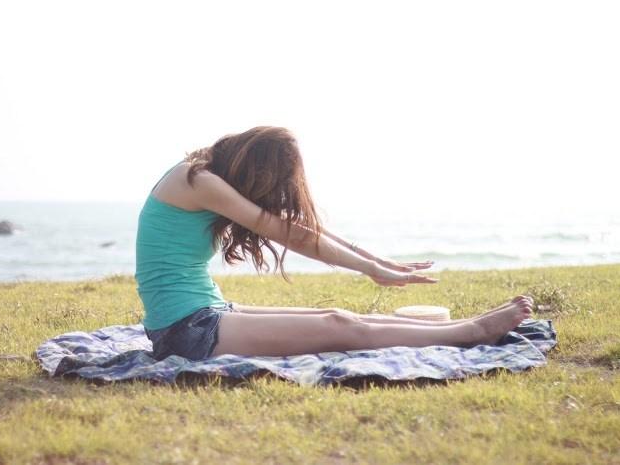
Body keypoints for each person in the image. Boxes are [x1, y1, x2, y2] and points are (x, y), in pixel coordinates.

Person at [135, 126, 533, 360]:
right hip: (184, 332)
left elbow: (293, 225)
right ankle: (473, 333)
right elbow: (289, 234)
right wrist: (369, 269)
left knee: (334, 312)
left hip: (207, 310)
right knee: (340, 325)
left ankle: (468, 326)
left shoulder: (204, 175)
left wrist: (374, 259)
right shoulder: (199, 182)